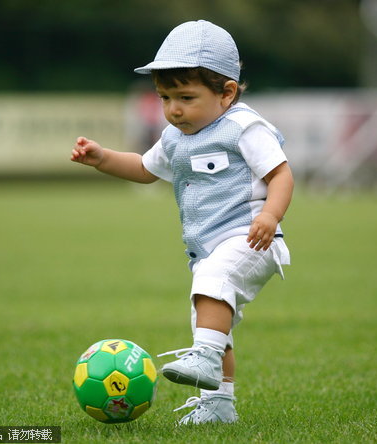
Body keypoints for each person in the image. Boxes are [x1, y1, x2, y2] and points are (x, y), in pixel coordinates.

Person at [70, 20, 293, 425]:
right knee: (211, 321)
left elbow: (281, 174)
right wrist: (102, 158)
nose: (173, 109)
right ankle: (218, 405)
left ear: (226, 93)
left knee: (212, 286)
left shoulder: (244, 126)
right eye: (165, 97)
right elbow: (143, 168)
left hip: (251, 237)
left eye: (186, 97)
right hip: (208, 248)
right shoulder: (175, 137)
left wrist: (270, 215)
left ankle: (204, 360)